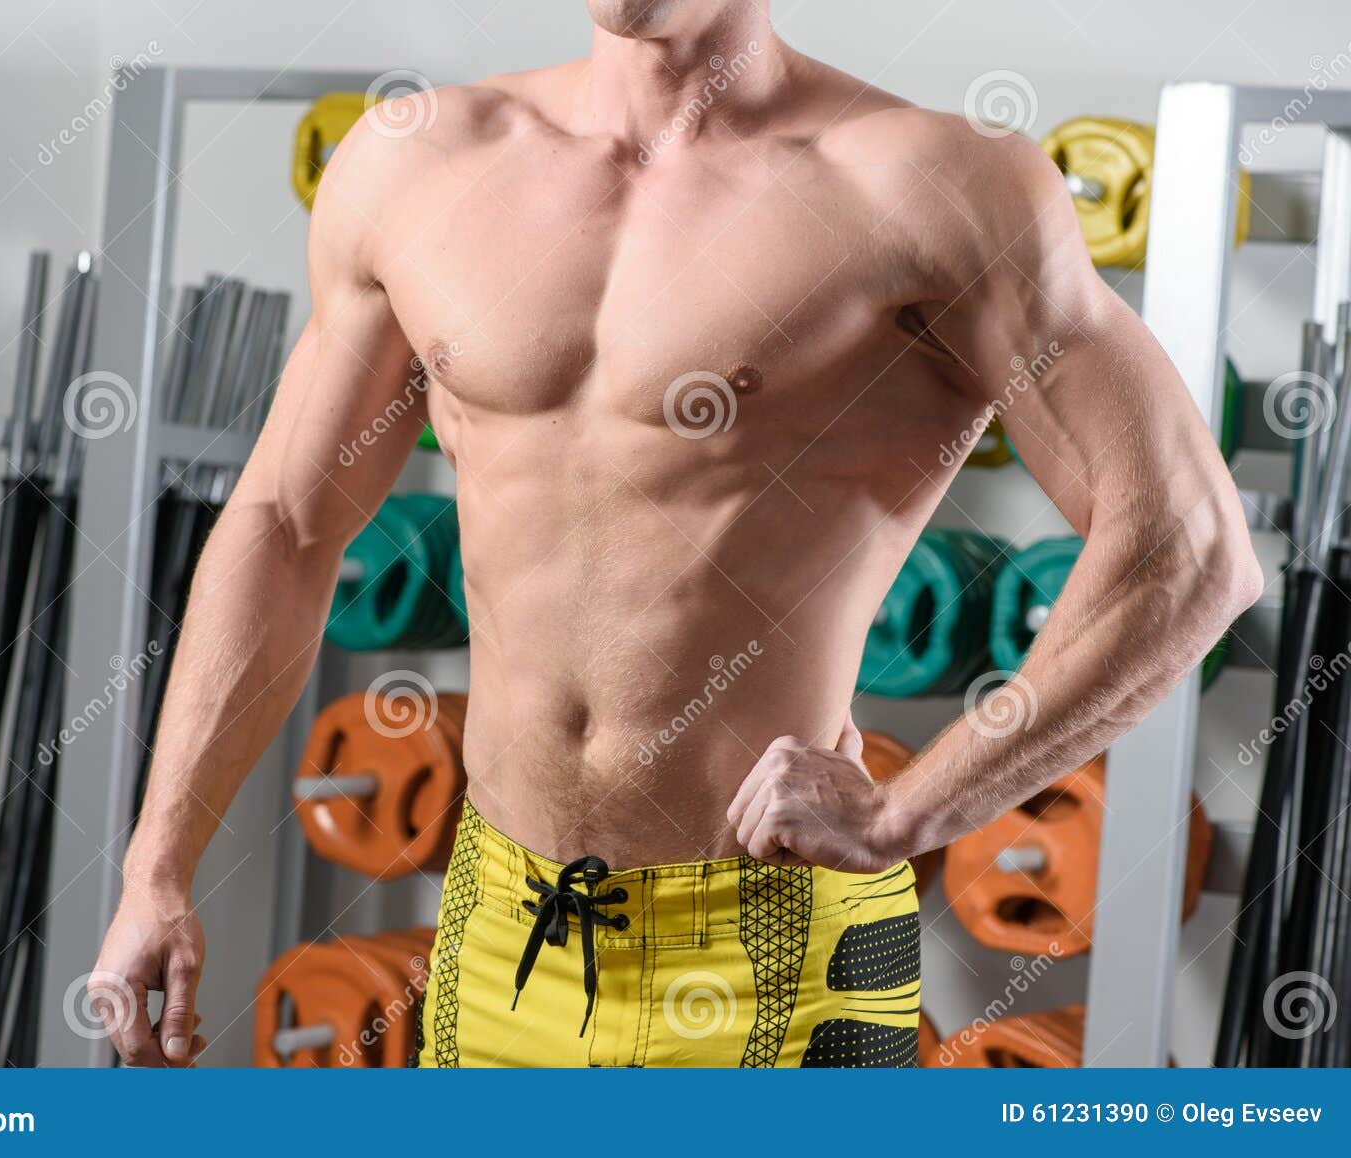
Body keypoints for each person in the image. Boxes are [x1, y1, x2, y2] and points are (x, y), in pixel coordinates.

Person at [92, 0, 1261, 1067]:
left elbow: (1189, 545)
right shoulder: (416, 162)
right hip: (499, 929)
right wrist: (157, 864)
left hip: (775, 956)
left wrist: (920, 806)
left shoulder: (927, 186)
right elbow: (287, 524)